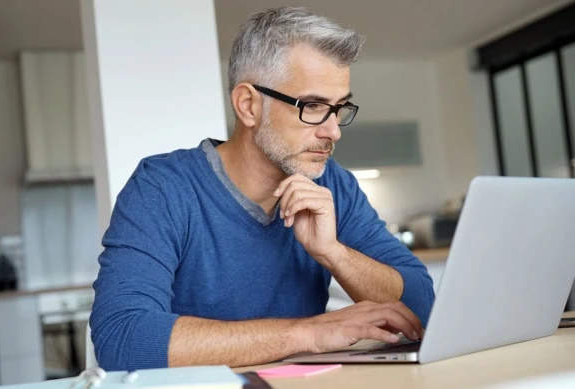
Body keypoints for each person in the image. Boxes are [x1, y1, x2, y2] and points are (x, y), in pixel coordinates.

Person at [90, 6, 435, 371]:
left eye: (340, 108)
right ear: (249, 105)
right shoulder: (162, 188)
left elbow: (421, 307)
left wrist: (334, 253)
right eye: (314, 106)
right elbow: (123, 338)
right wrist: (306, 334)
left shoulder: (333, 183)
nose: (333, 131)